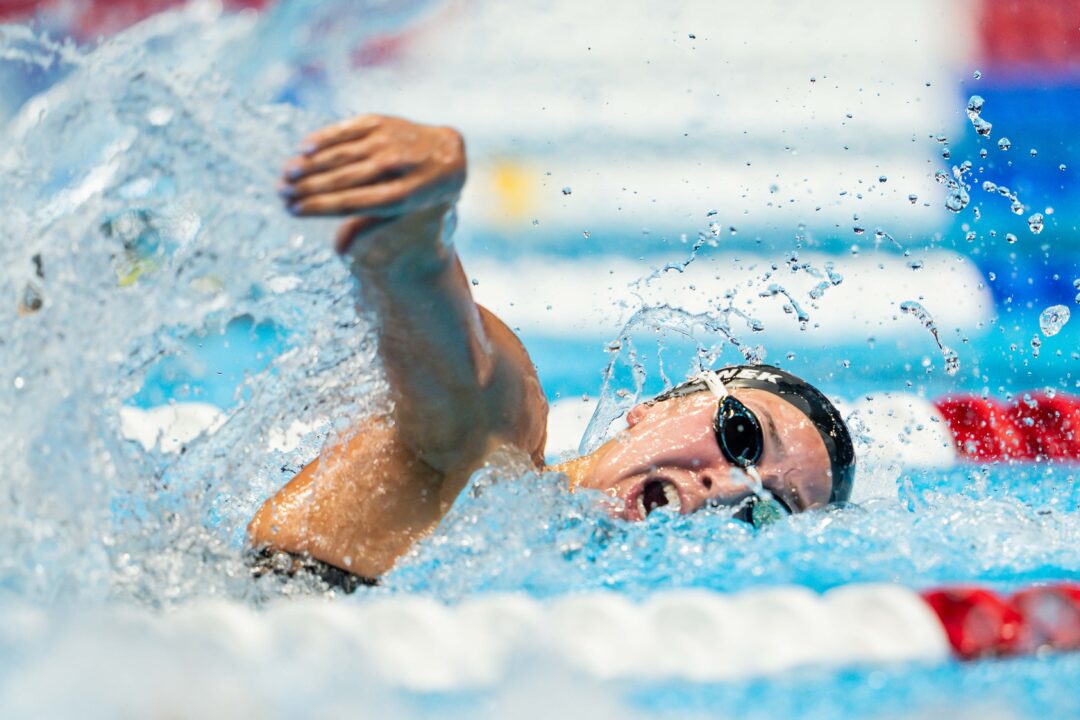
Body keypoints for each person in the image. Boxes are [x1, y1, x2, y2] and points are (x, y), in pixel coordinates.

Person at [247, 114, 855, 589]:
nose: (728, 488)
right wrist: (416, 218)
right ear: (655, 406)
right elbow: (459, 367)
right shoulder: (491, 456)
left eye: (769, 511)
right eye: (743, 437)